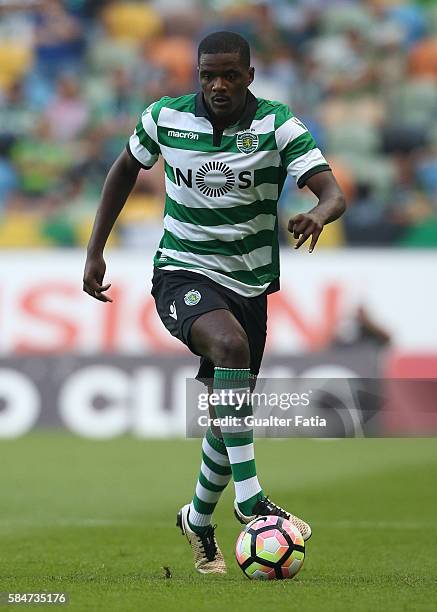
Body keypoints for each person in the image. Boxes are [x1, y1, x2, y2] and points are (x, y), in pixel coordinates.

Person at [83, 31, 346, 575]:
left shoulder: (278, 126)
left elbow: (332, 191)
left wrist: (317, 215)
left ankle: (198, 519)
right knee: (228, 347)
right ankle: (252, 503)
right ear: (197, 74)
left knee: (230, 413)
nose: (218, 85)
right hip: (182, 271)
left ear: (250, 75)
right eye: (208, 75)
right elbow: (124, 170)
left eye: (229, 75)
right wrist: (95, 251)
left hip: (250, 283)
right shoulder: (164, 118)